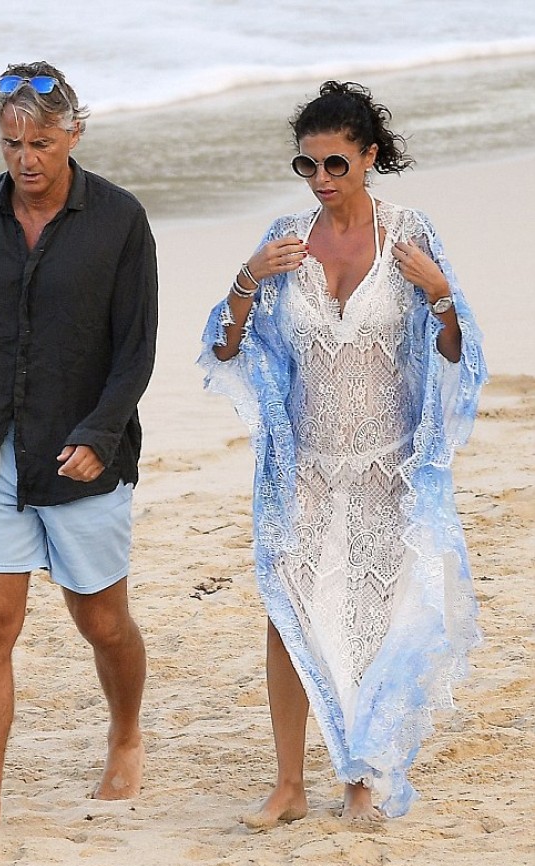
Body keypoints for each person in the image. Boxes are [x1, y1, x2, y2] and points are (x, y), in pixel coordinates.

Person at [199, 81, 486, 826]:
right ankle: (289, 786)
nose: (321, 179)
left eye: (335, 163)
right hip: (303, 470)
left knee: (373, 619)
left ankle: (362, 776)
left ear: (368, 157)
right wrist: (245, 280)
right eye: (308, 165)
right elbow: (226, 349)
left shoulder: (409, 233)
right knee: (290, 614)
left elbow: (456, 356)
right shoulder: (285, 239)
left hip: (390, 469)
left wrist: (440, 294)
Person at [0, 61, 158, 840]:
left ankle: (125, 733)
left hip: (80, 452)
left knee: (101, 620)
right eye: (11, 143)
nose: (26, 158)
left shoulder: (119, 218)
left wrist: (98, 436)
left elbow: (135, 347)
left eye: (41, 143)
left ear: (73, 134)